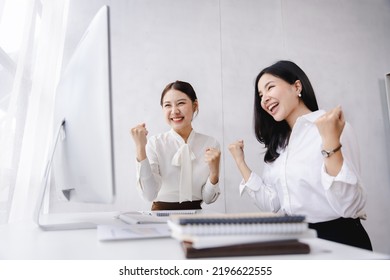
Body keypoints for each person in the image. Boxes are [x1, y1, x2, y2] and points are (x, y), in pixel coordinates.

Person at [228, 60, 372, 250]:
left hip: (340, 240)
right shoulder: (279, 145)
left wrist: (330, 142)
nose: (264, 99)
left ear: (296, 86)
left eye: (270, 87)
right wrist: (240, 162)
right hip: (297, 238)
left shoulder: (332, 127)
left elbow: (349, 206)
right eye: (261, 95)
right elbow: (272, 204)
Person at [131, 80, 221, 211]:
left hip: (195, 217)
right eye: (167, 105)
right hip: (160, 219)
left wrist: (214, 173)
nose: (174, 111)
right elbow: (149, 195)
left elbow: (208, 198)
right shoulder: (155, 143)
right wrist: (140, 149)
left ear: (195, 106)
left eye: (181, 103)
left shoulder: (210, 144)